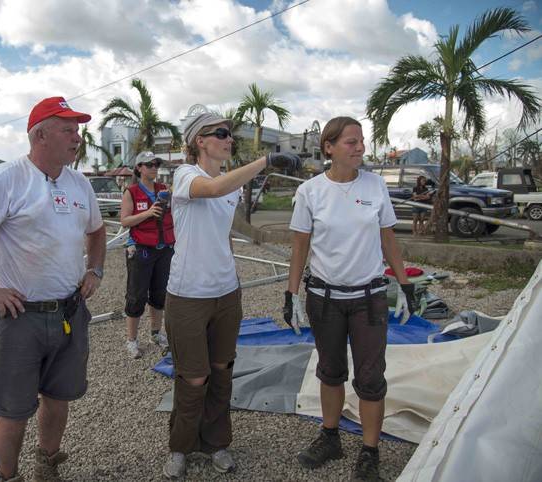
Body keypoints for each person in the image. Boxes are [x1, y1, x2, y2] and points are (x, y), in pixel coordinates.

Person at [0, 96, 107, 482]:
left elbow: (97, 231)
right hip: (20, 318)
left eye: (78, 130)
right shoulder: (4, 179)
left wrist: (95, 269)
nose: (77, 137)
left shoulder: (79, 183)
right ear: (40, 135)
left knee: (59, 398)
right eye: (68, 129)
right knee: (12, 411)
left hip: (69, 312)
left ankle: (47, 465)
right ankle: (7, 476)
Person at [162, 112, 301, 479]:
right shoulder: (186, 176)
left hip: (226, 292)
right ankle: (181, 446)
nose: (228, 139)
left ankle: (216, 443)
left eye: (230, 134)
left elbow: (223, 229)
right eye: (221, 134)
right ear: (199, 142)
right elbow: (212, 190)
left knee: (222, 371)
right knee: (193, 377)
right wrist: (265, 161)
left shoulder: (232, 185)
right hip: (188, 294)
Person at [283, 117, 416, 481]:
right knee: (330, 371)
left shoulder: (375, 186)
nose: (360, 148)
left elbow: (388, 238)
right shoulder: (310, 191)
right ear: (329, 147)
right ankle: (330, 437)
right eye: (351, 142)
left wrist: (405, 285)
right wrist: (292, 294)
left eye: (361, 142)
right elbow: (300, 246)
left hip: (369, 299)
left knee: (371, 378)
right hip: (324, 298)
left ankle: (370, 452)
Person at [120, 151, 174, 359]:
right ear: (139, 168)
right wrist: (148, 213)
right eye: (149, 164)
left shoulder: (164, 190)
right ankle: (131, 340)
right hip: (141, 249)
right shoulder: (131, 192)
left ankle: (155, 334)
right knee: (136, 296)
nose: (154, 167)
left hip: (164, 249)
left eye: (156, 164)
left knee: (160, 294)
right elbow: (125, 221)